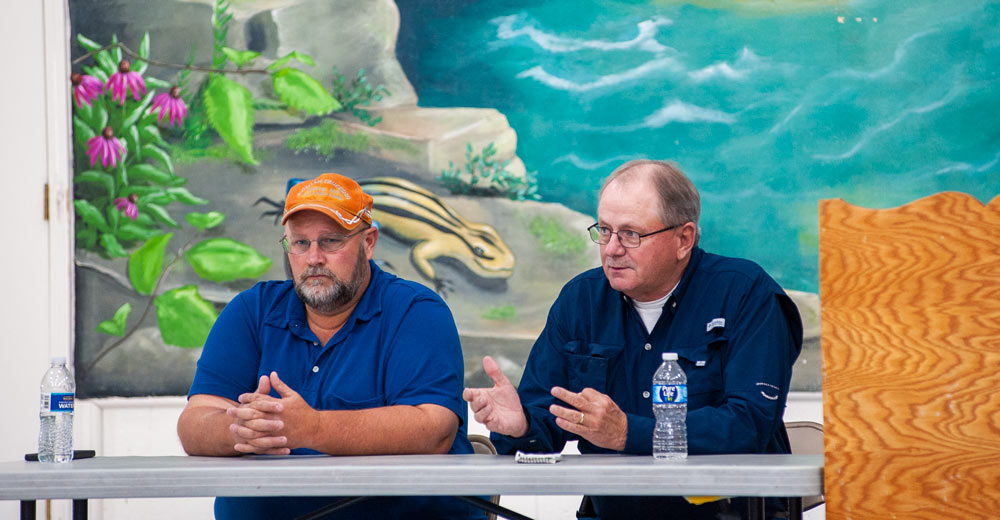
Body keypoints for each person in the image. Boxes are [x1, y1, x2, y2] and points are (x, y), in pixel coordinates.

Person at [463, 160, 803, 520]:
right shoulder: (580, 302)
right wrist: (521, 426)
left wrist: (630, 433)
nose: (611, 249)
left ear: (684, 239)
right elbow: (544, 428)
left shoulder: (745, 294)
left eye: (630, 234)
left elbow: (749, 424)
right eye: (604, 231)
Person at [177, 173, 483, 520]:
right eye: (300, 243)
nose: (313, 258)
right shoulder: (252, 310)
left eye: (331, 241)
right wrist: (243, 430)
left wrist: (312, 428)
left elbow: (433, 429)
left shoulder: (415, 311)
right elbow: (194, 422)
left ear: (368, 242)